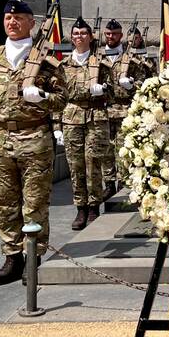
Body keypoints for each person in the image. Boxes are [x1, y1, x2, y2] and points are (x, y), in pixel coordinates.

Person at [0, 0, 67, 285]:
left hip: (34, 138)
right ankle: (12, 258)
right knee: (4, 203)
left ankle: (33, 258)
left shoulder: (47, 61)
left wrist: (43, 98)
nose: (12, 22)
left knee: (35, 203)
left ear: (31, 23)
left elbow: (62, 100)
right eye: (7, 18)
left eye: (18, 18)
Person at [56, 17, 107, 230]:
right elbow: (57, 96)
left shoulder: (101, 63)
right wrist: (56, 127)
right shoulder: (62, 65)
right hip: (71, 117)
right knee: (75, 165)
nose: (79, 37)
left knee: (93, 162)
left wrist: (104, 89)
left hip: (95, 116)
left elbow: (115, 90)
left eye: (83, 33)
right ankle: (81, 208)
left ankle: (94, 206)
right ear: (71, 37)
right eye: (76, 34)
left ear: (91, 36)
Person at [98, 19, 148, 201]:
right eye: (108, 34)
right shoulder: (98, 58)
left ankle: (122, 183)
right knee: (105, 149)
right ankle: (109, 183)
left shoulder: (130, 59)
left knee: (123, 149)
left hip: (125, 110)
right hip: (103, 110)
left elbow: (144, 83)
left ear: (121, 36)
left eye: (114, 34)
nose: (110, 37)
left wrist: (132, 85)